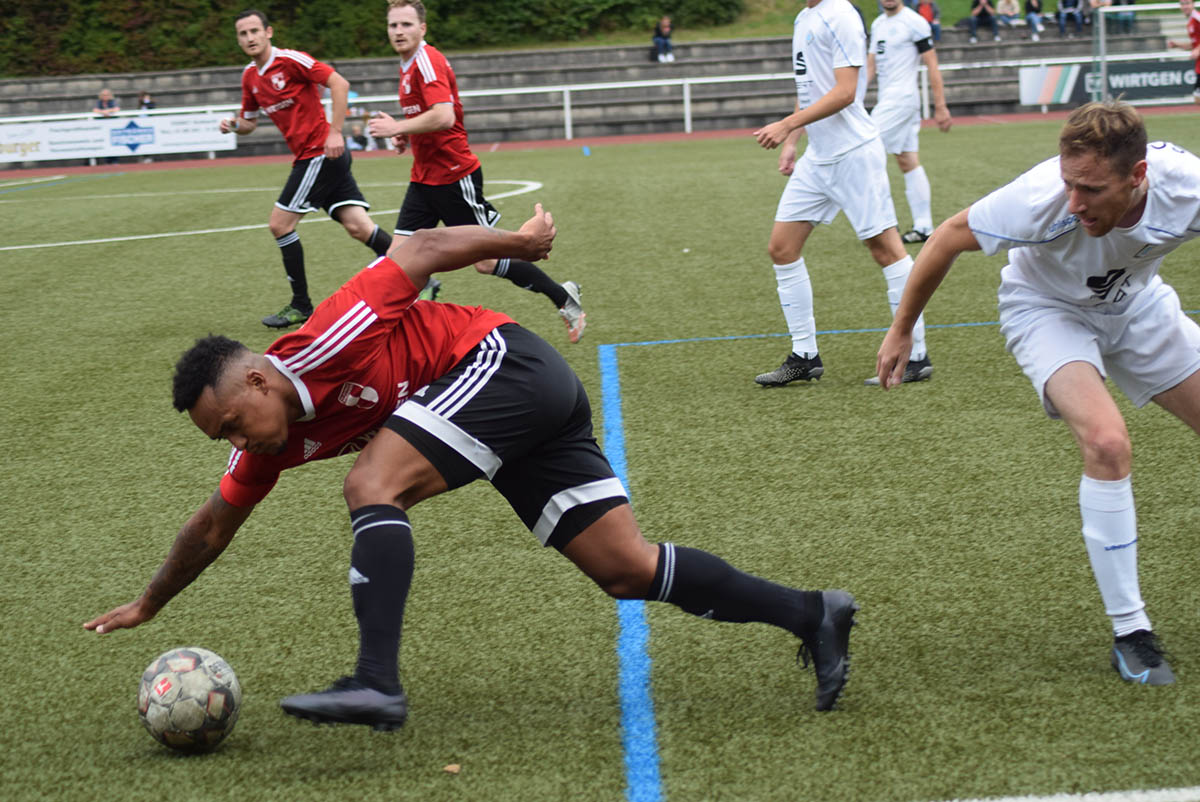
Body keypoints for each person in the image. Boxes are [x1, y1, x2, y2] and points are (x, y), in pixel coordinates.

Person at [82, 204, 860, 726]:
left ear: (257, 380)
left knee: (370, 483)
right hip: (516, 417)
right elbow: (214, 525)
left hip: (506, 366)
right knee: (623, 568)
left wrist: (521, 248)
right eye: (223, 438)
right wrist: (150, 603)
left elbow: (419, 250)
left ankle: (377, 681)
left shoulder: (324, 338)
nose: (237, 443)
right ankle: (812, 614)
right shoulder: (272, 440)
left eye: (232, 423)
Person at [876, 101, 1200, 686]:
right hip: (1047, 311)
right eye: (1068, 182)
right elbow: (947, 236)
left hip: (1138, 306)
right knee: (1106, 442)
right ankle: (1132, 633)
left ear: (1138, 176)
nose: (1074, 201)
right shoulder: (1039, 199)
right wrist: (902, 329)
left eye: (1091, 189)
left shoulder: (1188, 187)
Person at [367, 0, 587, 343]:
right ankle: (393, 336)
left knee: (486, 261)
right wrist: (405, 134)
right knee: (397, 257)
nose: (398, 31)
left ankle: (562, 296)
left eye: (406, 25)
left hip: (454, 177)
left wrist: (397, 124)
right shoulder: (408, 64)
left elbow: (444, 116)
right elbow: (431, 118)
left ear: (422, 28)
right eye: (393, 25)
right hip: (424, 178)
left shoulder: (427, 61)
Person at [752, 0, 933, 388]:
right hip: (819, 157)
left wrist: (785, 124)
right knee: (782, 248)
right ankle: (805, 356)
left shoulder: (842, 15)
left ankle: (916, 355)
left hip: (853, 154)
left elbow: (846, 91)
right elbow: (809, 88)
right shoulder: (804, 17)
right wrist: (794, 142)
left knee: (885, 249)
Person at [220, 9, 394, 330]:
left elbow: (339, 83)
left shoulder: (290, 60)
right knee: (358, 226)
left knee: (280, 225)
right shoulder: (250, 77)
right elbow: (249, 123)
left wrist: (336, 131)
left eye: (254, 31)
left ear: (268, 32)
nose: (249, 38)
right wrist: (233, 124)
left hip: (319, 154)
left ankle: (301, 304)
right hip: (316, 158)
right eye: (243, 34)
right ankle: (420, 276)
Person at [867, 0, 953, 246]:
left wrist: (941, 105)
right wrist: (851, 96)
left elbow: (932, 64)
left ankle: (882, 224)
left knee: (866, 150)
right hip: (888, 99)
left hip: (902, 100)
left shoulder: (914, 22)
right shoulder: (878, 24)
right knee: (907, 161)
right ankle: (924, 226)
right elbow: (870, 65)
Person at [1166, 0, 1200, 105]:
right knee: (1197, 97)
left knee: (1197, 97)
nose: (1185, 6)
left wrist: (1198, 50)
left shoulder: (1197, 18)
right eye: (1182, 4)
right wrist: (1178, 45)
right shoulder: (1190, 22)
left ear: (1193, 4)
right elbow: (1194, 45)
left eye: (1187, 3)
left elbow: (1197, 48)